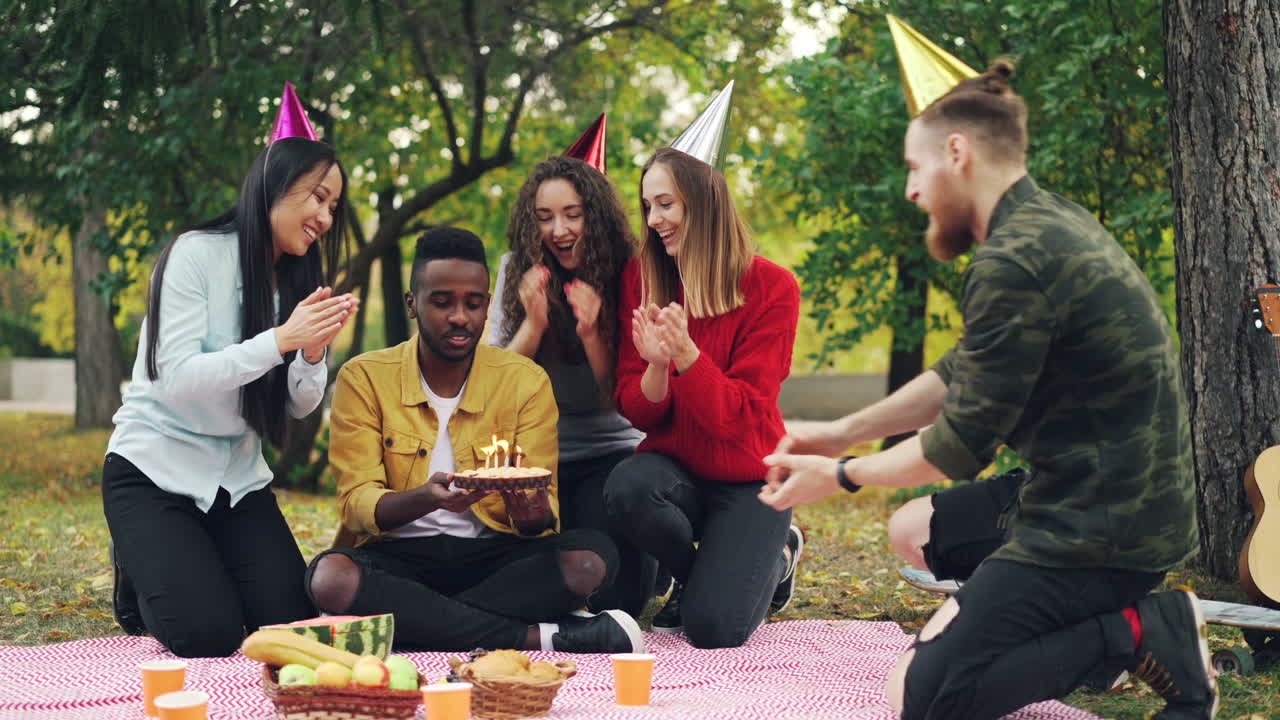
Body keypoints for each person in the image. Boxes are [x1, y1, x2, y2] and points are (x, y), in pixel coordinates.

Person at [760, 61, 1215, 720]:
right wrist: (841, 431)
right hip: (1094, 490)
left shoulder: (1014, 262)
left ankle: (1137, 632)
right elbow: (958, 372)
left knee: (920, 696)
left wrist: (840, 474)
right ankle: (1024, 623)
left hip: (1101, 527)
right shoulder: (1045, 220)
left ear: (957, 152)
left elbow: (954, 450)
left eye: (915, 169)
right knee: (913, 529)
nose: (911, 190)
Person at [306, 227, 646, 654]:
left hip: (495, 559)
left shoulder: (524, 380)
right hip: (399, 559)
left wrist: (532, 510)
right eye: (442, 302)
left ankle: (415, 624)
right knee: (330, 578)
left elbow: (544, 519)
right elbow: (357, 507)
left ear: (487, 305)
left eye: (474, 303)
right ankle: (538, 636)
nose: (460, 317)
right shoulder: (364, 377)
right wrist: (427, 498)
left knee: (590, 560)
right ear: (413, 304)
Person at [103, 136, 358, 657]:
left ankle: (190, 563)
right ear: (275, 186)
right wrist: (280, 339)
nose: (326, 217)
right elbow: (176, 376)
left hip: (235, 479)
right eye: (317, 197)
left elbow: (298, 405)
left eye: (333, 206)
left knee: (291, 626)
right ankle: (138, 575)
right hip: (154, 469)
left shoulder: (297, 280)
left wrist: (310, 356)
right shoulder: (194, 255)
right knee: (208, 636)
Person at [603, 146, 804, 649]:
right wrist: (655, 363)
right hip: (675, 474)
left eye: (666, 204)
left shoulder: (773, 288)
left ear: (703, 201)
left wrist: (688, 356)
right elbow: (638, 409)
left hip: (749, 479)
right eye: (648, 207)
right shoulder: (643, 280)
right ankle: (692, 572)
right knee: (628, 488)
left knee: (714, 630)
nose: (653, 221)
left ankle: (775, 556)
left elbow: (739, 418)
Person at [489, 153, 654, 616]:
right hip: (542, 457)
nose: (558, 230)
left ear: (594, 216)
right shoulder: (513, 270)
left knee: (614, 600)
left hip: (613, 454)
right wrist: (533, 327)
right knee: (550, 588)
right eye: (545, 218)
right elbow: (493, 385)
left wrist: (591, 334)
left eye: (572, 215)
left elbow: (623, 396)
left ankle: (652, 564)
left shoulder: (631, 271)